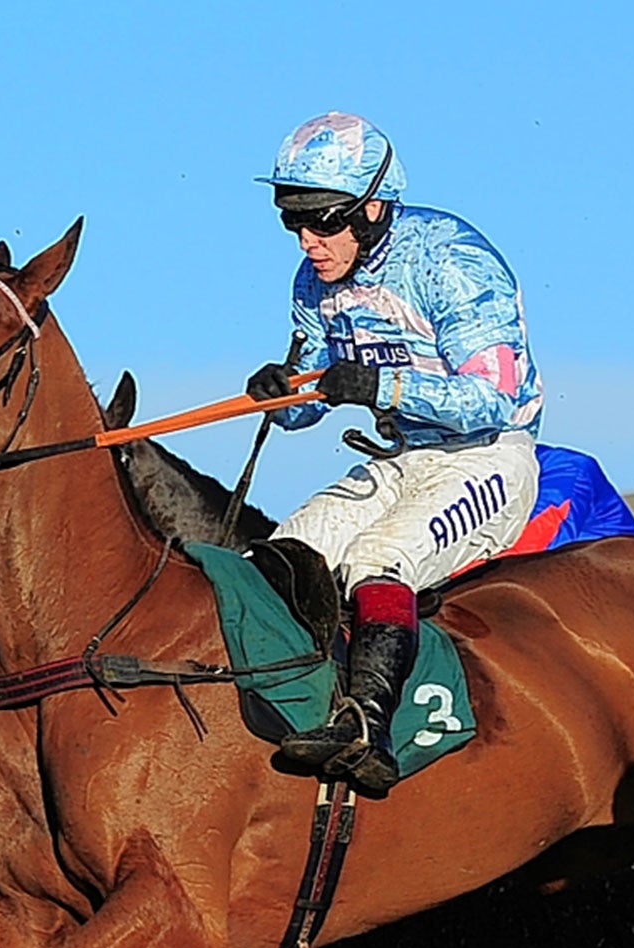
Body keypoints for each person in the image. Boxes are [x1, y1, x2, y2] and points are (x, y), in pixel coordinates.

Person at [246, 111, 543, 792]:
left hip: (489, 456)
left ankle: (367, 731)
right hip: (400, 459)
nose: (307, 241)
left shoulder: (453, 259)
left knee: (377, 559)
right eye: (292, 221)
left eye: (323, 221)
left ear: (373, 208)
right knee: (282, 557)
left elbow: (493, 397)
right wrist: (279, 393)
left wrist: (383, 384)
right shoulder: (311, 284)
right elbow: (307, 398)